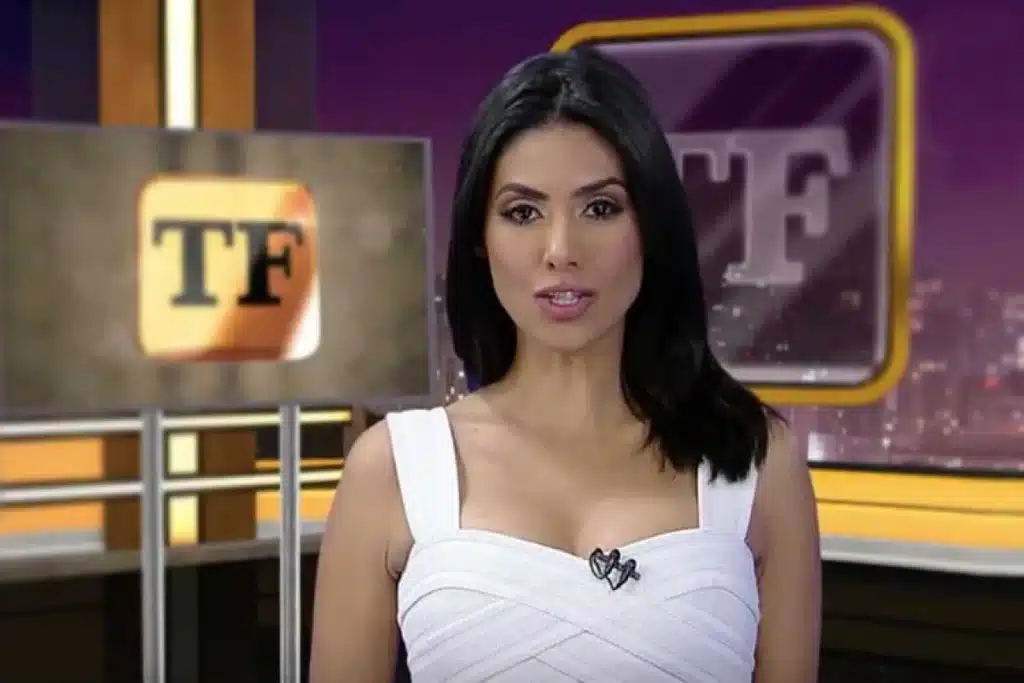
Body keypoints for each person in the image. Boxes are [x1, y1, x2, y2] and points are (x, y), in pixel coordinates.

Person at [309, 47, 821, 683]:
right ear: (479, 239)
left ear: (651, 226)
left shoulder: (756, 463)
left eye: (600, 208)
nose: (560, 250)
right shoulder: (392, 470)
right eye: (522, 213)